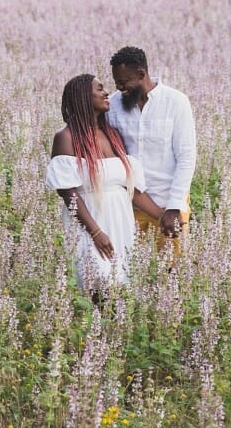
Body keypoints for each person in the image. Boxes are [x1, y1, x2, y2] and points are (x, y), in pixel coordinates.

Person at [46, 73, 160, 291]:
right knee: (97, 281)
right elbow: (68, 192)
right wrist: (96, 232)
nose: (106, 92)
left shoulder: (113, 135)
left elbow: (131, 189)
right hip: (89, 222)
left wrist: (163, 216)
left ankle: (112, 327)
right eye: (99, 89)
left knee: (121, 286)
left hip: (120, 219)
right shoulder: (66, 138)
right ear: (82, 97)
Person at [106, 46, 196, 253]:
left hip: (169, 202)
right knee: (128, 270)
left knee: (172, 272)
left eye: (124, 81)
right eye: (116, 82)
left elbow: (186, 157)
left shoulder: (176, 102)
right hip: (128, 206)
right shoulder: (113, 105)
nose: (119, 87)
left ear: (141, 74)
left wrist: (174, 207)